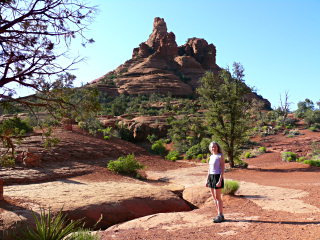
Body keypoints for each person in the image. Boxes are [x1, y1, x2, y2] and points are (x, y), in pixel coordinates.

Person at [205, 141, 225, 223]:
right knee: (214, 198)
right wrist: (207, 180)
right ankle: (218, 214)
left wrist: (220, 180)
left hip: (217, 177)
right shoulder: (211, 156)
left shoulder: (220, 156)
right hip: (211, 177)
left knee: (218, 198)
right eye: (212, 147)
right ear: (210, 148)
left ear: (218, 147)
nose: (214, 148)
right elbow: (209, 169)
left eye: (215, 146)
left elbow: (223, 169)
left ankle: (221, 215)